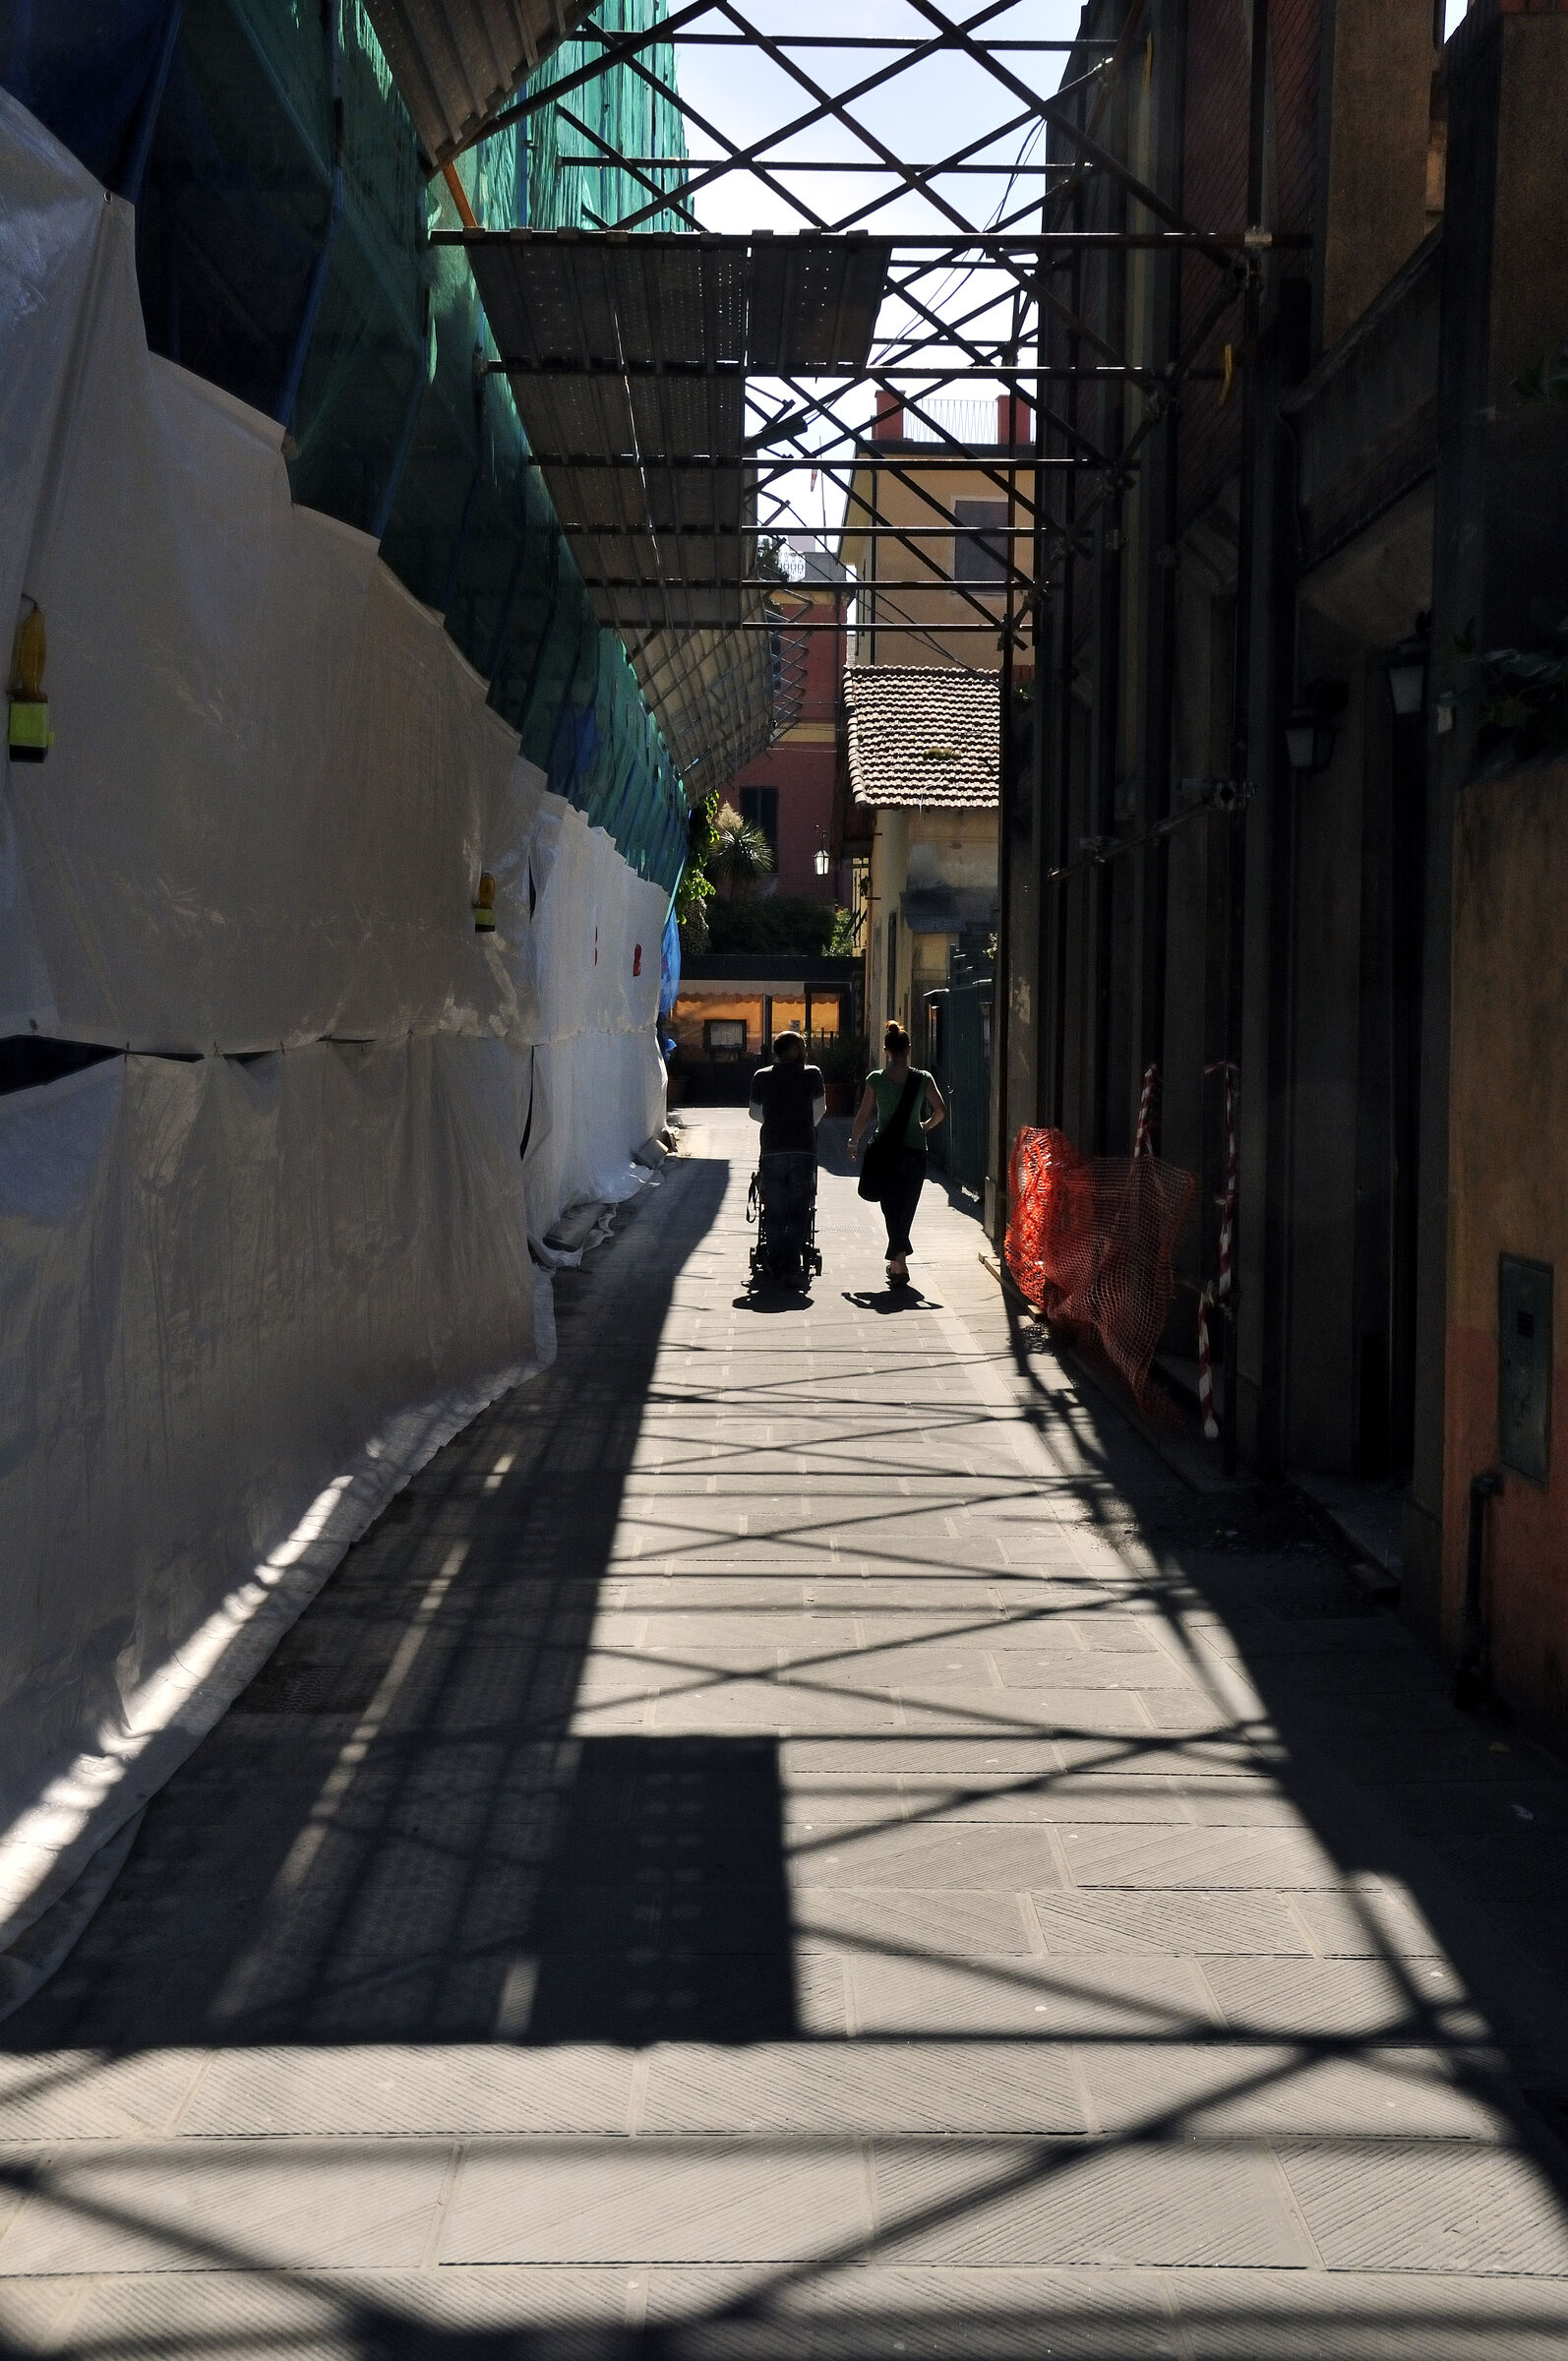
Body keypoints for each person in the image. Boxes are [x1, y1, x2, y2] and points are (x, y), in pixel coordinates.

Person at [848, 1020, 946, 1286]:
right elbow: (941, 1110)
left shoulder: (876, 1079)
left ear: (885, 1050)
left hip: (885, 1151)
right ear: (909, 1049)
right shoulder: (923, 1078)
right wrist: (924, 1127)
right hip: (915, 1150)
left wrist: (853, 1141)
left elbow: (864, 1114)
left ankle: (899, 1263)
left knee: (891, 1206)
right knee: (907, 1206)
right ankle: (897, 1262)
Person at [749, 1031, 825, 1283]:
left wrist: (774, 1122)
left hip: (772, 1148)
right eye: (802, 1045)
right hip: (803, 1148)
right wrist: (803, 1124)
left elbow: (755, 1113)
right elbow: (820, 1110)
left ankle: (774, 1257)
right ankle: (791, 1263)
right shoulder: (811, 1074)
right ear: (793, 1050)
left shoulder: (762, 1076)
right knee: (797, 1209)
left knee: (773, 1209)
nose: (805, 1050)